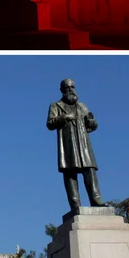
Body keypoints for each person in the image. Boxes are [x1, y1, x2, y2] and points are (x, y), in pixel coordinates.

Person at [46, 79, 107, 213]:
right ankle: (75, 205)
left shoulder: (82, 106)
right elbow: (50, 123)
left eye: (72, 87)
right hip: (68, 144)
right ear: (62, 90)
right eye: (67, 87)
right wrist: (63, 117)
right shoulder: (56, 106)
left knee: (90, 170)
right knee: (70, 173)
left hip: (83, 143)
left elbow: (91, 124)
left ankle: (96, 201)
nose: (71, 90)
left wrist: (92, 123)